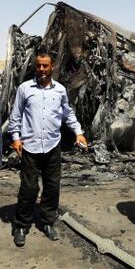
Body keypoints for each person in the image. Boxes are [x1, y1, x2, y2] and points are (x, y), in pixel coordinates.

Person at [8, 52, 88, 247]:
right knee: (29, 188)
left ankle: (48, 222)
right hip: (30, 147)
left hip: (53, 147)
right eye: (39, 66)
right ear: (35, 67)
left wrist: (78, 132)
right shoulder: (25, 88)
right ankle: (21, 225)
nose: (42, 69)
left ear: (52, 67)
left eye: (45, 66)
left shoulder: (60, 90)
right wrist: (15, 138)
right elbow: (15, 115)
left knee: (52, 188)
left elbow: (68, 114)